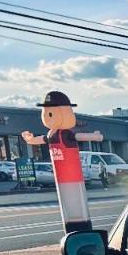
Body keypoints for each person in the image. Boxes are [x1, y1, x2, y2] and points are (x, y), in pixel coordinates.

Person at [22, 91, 103, 232]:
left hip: (73, 176)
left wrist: (95, 137)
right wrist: (30, 140)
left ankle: (81, 228)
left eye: (50, 113)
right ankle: (74, 229)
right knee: (68, 206)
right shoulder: (51, 134)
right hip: (62, 177)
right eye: (46, 114)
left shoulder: (66, 134)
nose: (48, 117)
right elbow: (40, 140)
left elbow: (79, 136)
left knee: (77, 205)